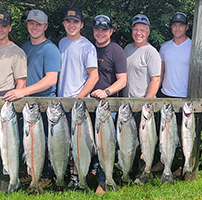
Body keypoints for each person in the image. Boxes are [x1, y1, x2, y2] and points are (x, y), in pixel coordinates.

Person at [3, 9, 61, 189]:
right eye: (31, 23)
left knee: (42, 144)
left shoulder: (51, 49)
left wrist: (22, 92)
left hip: (43, 105)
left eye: (38, 24)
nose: (34, 27)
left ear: (45, 26)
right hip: (26, 104)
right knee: (26, 144)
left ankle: (45, 177)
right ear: (27, 25)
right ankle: (30, 174)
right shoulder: (24, 47)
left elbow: (51, 79)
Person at [57, 7, 99, 191]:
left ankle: (77, 177)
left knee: (78, 142)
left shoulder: (87, 46)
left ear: (81, 25)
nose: (71, 25)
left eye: (76, 22)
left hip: (78, 104)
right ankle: (65, 175)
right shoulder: (60, 43)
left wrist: (78, 98)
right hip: (61, 102)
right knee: (64, 142)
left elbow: (94, 76)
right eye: (68, 21)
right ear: (64, 23)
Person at [0, 10, 27, 192]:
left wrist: (13, 109)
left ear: (10, 28)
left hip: (5, 100)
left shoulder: (17, 52)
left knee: (6, 142)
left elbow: (21, 84)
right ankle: (3, 175)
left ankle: (8, 178)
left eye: (4, 26)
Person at [89, 14, 127, 195]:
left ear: (110, 31)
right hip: (87, 106)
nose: (100, 33)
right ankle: (90, 173)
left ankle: (103, 181)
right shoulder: (88, 48)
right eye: (97, 29)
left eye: (104, 30)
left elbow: (122, 81)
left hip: (107, 107)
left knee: (106, 145)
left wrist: (106, 92)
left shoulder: (116, 51)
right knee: (89, 143)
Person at [122, 14, 161, 184]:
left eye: (142, 30)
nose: (139, 33)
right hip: (127, 106)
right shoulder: (127, 49)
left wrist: (146, 102)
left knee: (144, 142)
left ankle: (143, 173)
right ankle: (127, 172)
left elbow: (156, 79)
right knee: (128, 142)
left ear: (148, 32)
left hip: (142, 105)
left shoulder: (151, 52)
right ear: (132, 30)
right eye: (136, 29)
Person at [152, 12, 191, 176]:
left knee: (184, 135)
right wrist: (155, 93)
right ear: (171, 27)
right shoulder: (164, 47)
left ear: (187, 27)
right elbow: (160, 73)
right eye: (174, 24)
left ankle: (183, 166)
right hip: (166, 96)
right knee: (164, 134)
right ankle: (162, 163)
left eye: (181, 25)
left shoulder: (193, 46)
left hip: (185, 97)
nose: (177, 27)